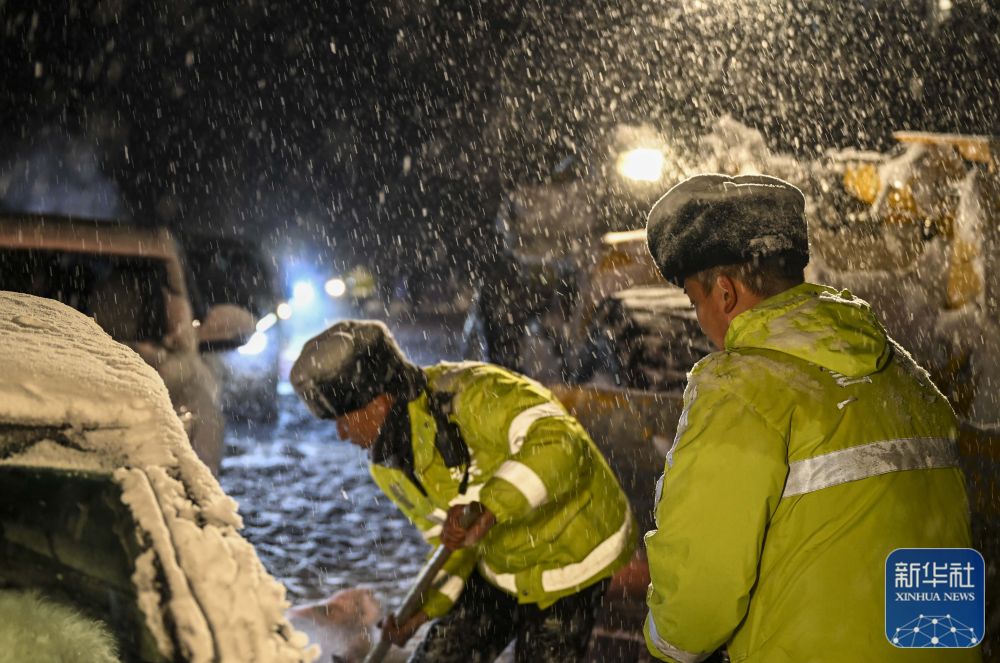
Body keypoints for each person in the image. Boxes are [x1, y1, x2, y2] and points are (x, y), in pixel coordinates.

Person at [641, 174, 978, 662]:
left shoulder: (741, 389)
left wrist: (664, 638)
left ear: (725, 293)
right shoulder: (905, 377)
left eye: (696, 302)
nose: (701, 320)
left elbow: (702, 591)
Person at [290, 320, 635, 662]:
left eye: (344, 419)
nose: (341, 433)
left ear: (378, 403)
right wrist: (423, 610)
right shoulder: (388, 467)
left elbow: (560, 443)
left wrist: (491, 506)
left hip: (571, 554)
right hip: (498, 560)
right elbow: (449, 544)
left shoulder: (476, 394)